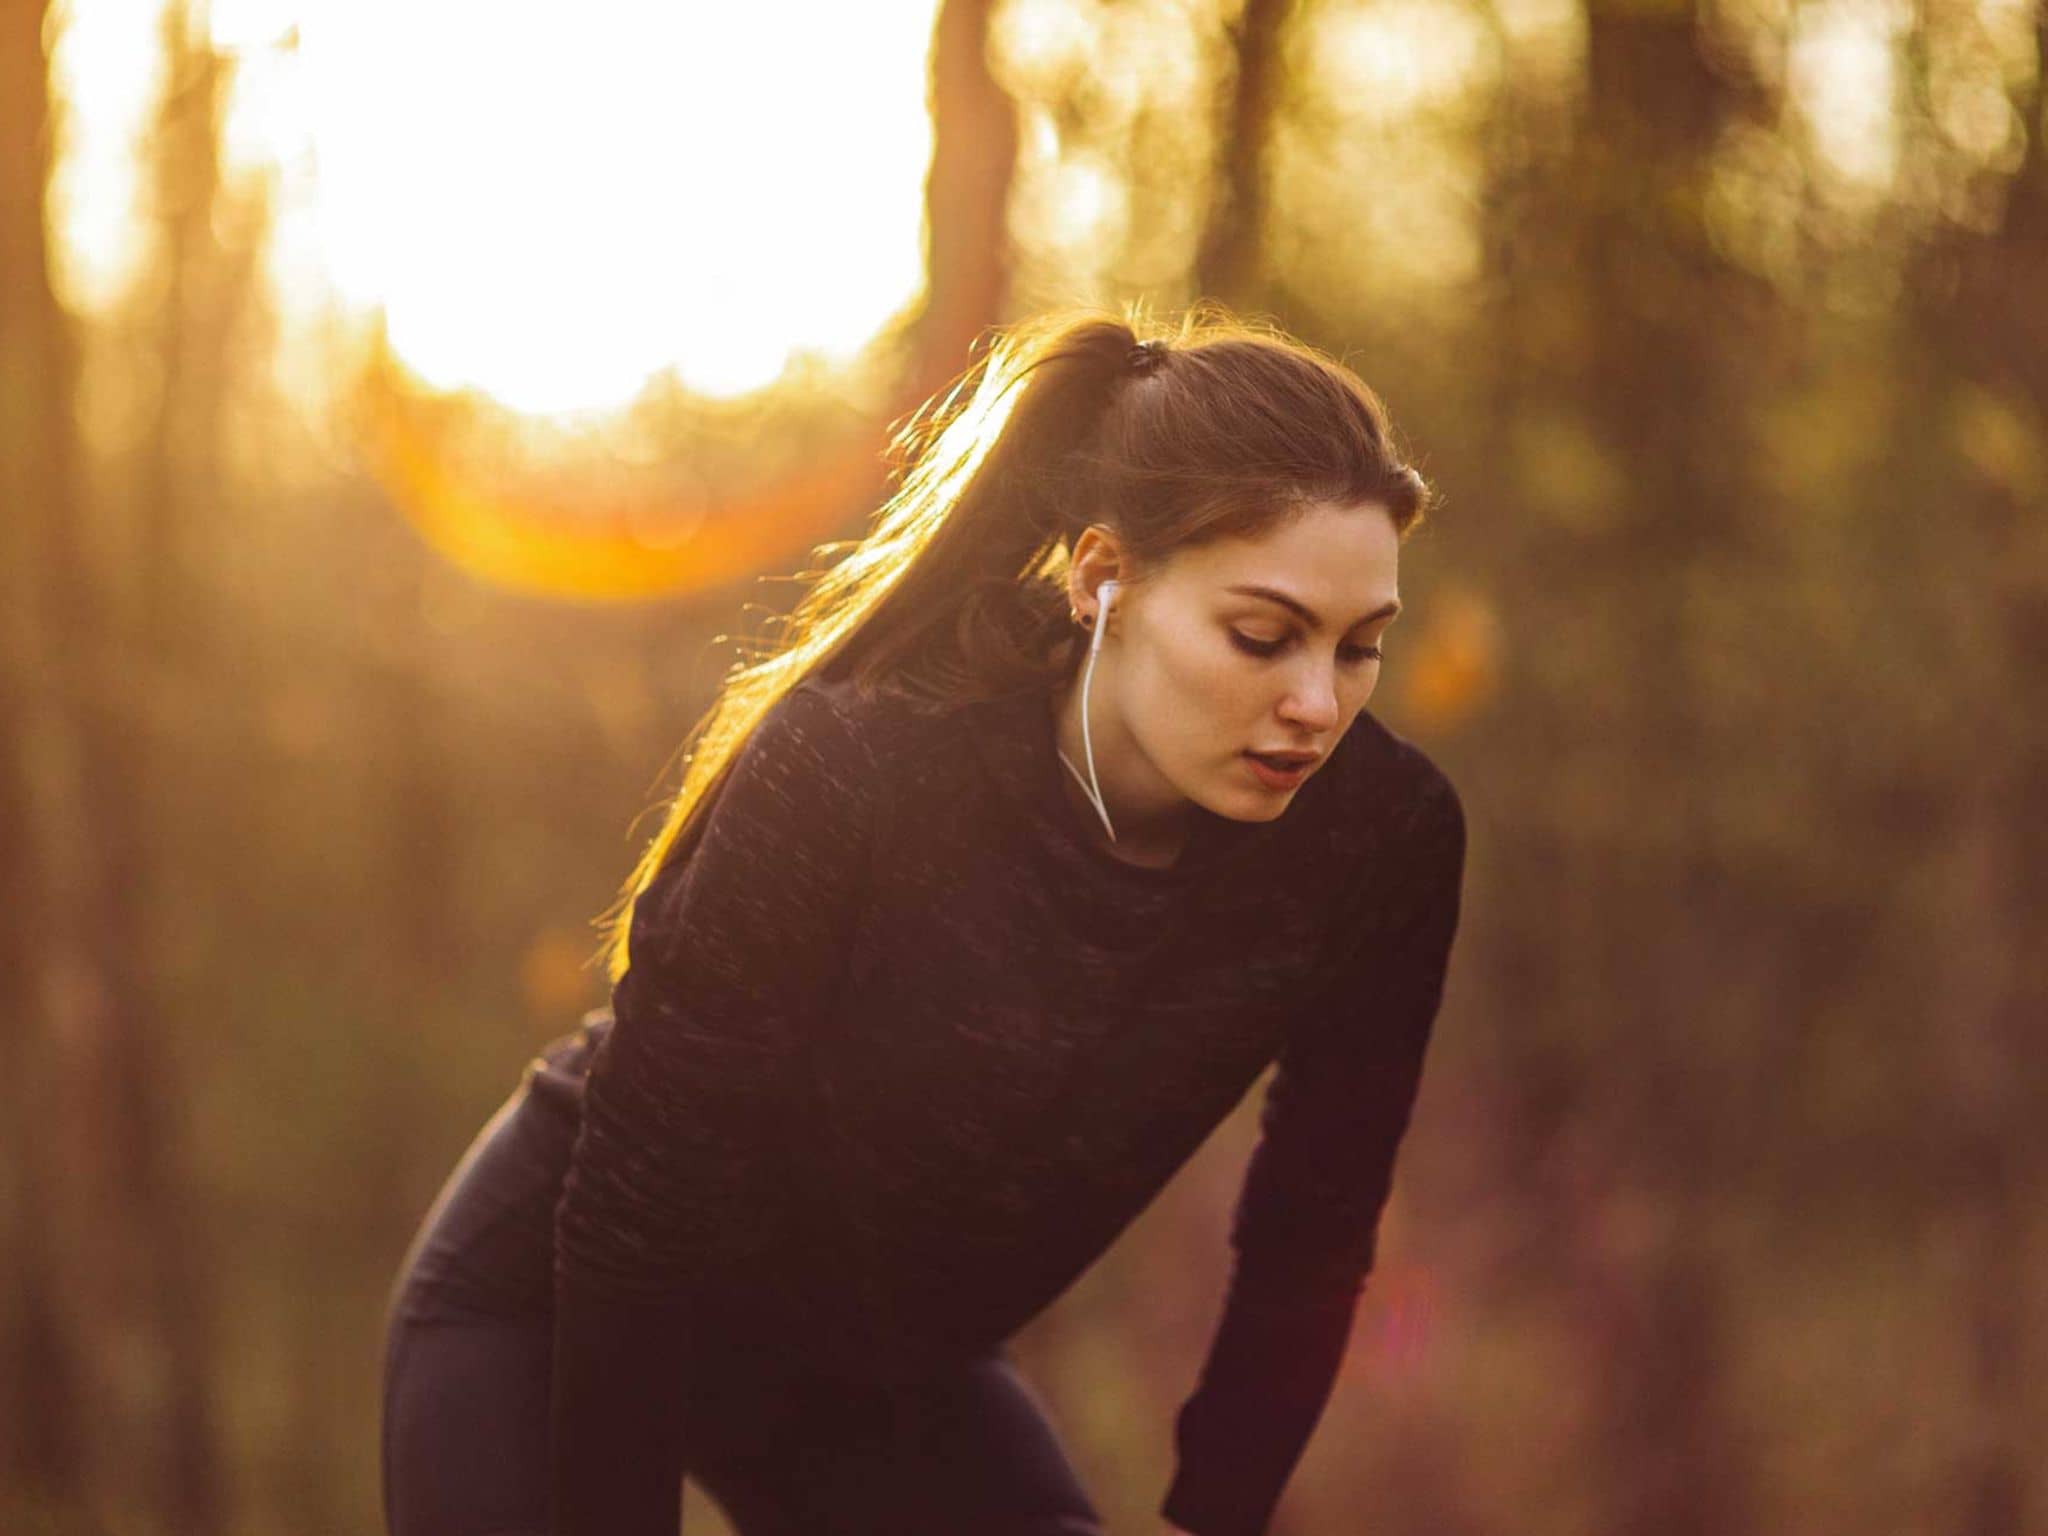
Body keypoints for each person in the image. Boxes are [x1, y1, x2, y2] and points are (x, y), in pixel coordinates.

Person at [379, 303, 1468, 1536]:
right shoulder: (862, 760)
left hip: (876, 1379)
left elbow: (1309, 1233)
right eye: (1262, 637)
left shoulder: (1382, 845)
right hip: (569, 1308)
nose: (1317, 706)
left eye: (1361, 649)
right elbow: (643, 1199)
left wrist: (1210, 1518)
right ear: (1102, 578)